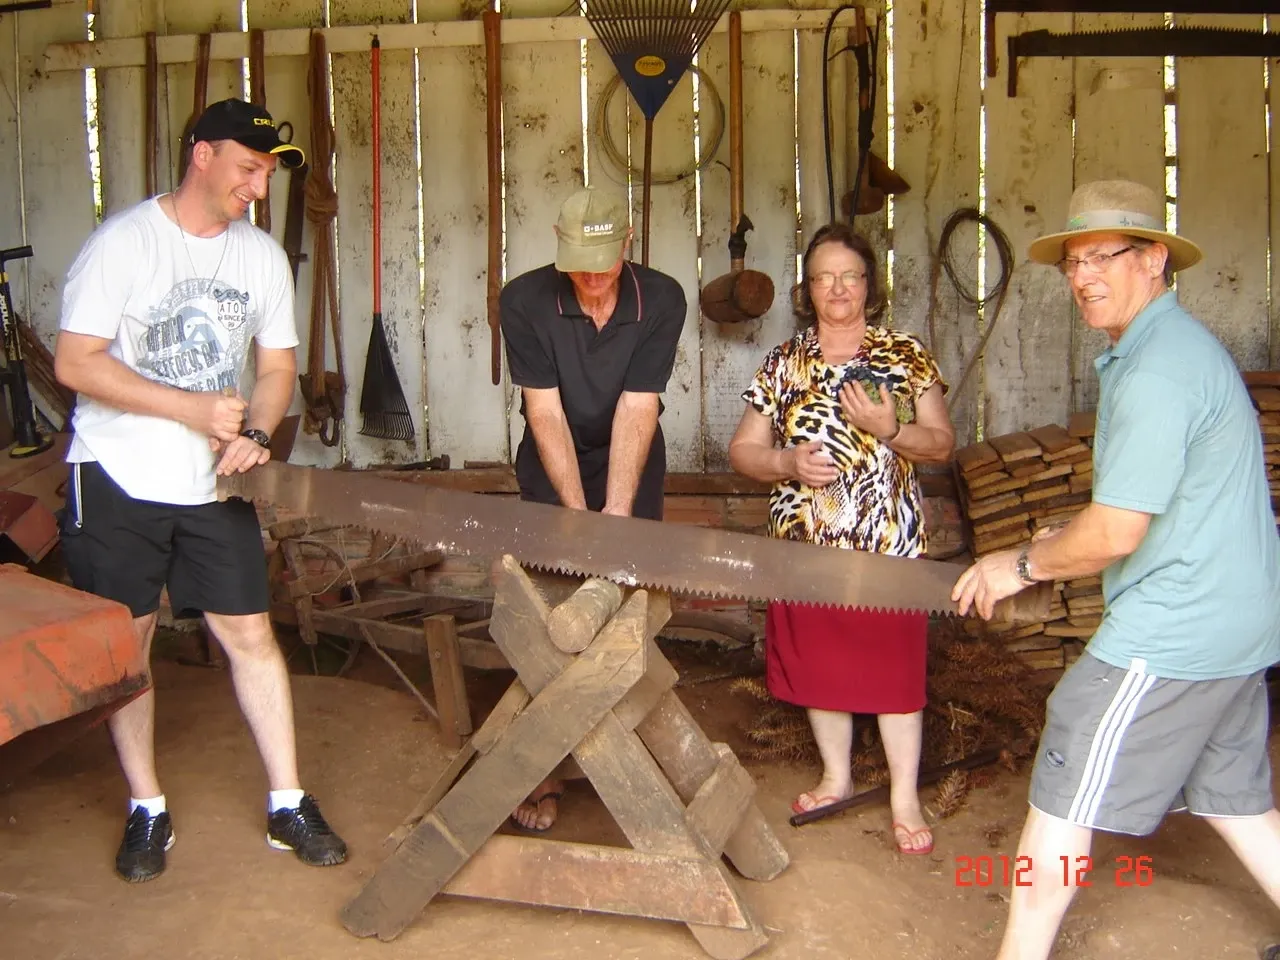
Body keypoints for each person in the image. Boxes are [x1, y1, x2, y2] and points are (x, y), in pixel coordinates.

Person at [951, 179, 1280, 960]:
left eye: (1105, 255)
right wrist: (1076, 530)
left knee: (1071, 759)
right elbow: (1160, 501)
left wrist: (1021, 563)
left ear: (1155, 259)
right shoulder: (1166, 350)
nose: (1085, 275)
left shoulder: (1160, 368)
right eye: (1073, 261)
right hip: (1236, 616)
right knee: (1236, 801)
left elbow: (1118, 531)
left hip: (1180, 623)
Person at [53, 98, 347, 883]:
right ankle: (146, 807)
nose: (258, 186)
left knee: (251, 634)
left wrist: (256, 434)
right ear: (202, 156)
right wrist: (191, 408)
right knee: (132, 644)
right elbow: (76, 362)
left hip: (213, 486)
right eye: (248, 168)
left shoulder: (260, 258)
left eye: (266, 173)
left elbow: (278, 369)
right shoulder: (124, 244)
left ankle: (288, 799)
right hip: (116, 478)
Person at [728, 222, 956, 854]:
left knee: (894, 675)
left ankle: (905, 799)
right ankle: (837, 776)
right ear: (808, 287)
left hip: (887, 548)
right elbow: (744, 450)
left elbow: (940, 444)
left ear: (868, 286)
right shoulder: (785, 361)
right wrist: (785, 465)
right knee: (822, 668)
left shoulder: (903, 358)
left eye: (850, 275)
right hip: (805, 548)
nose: (837, 287)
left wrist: (891, 430)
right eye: (824, 276)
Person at [498, 185, 686, 832]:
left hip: (631, 456)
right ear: (559, 244)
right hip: (555, 459)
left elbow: (640, 406)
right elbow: (542, 411)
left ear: (626, 246)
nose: (594, 281)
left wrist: (616, 518)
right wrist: (578, 517)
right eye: (580, 266)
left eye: (605, 266)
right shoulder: (523, 301)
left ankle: (616, 756)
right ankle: (542, 768)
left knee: (625, 608)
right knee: (552, 614)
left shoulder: (661, 299)